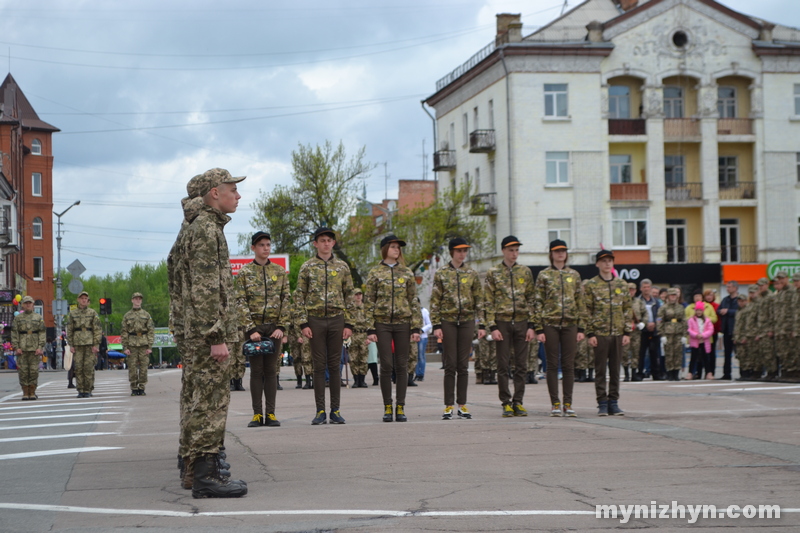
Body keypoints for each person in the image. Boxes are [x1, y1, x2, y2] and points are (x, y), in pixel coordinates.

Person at [171, 167, 247, 498]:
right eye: (232, 188)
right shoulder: (204, 229)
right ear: (215, 192)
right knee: (210, 403)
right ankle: (207, 476)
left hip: (195, 332)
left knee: (198, 400)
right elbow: (204, 291)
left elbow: (175, 273)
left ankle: (195, 468)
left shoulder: (198, 226)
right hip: (207, 335)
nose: (238, 195)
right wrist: (216, 337)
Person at [294, 227, 356, 426]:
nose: (326, 243)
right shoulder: (307, 267)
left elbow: (350, 296)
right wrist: (303, 323)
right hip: (315, 320)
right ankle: (320, 410)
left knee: (335, 365)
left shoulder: (343, 267)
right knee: (319, 366)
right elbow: (299, 297)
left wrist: (349, 323)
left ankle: (335, 410)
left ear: (334, 243)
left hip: (337, 319)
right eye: (322, 240)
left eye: (329, 240)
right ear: (315, 244)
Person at [235, 231, 290, 428]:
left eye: (268, 244)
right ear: (253, 248)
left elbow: (286, 299)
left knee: (272, 371)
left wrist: (282, 326)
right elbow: (240, 301)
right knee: (257, 371)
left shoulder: (279, 271)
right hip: (255, 330)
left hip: (274, 329)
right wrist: (251, 330)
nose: (266, 248)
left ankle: (271, 414)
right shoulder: (244, 272)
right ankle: (257, 414)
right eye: (261, 245)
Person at [364, 235, 422, 422]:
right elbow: (369, 301)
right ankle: (388, 406)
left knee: (402, 365)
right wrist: (370, 328)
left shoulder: (406, 273)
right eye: (393, 247)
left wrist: (416, 327)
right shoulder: (375, 273)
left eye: (398, 247)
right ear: (384, 249)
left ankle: (401, 406)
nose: (397, 250)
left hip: (403, 323)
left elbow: (413, 300)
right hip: (382, 323)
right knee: (387, 365)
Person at [431, 237, 485, 420]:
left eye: (465, 251)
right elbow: (435, 300)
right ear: (452, 252)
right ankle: (448, 405)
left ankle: (462, 404)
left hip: (467, 321)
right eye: (459, 251)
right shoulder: (442, 273)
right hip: (448, 321)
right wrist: (436, 325)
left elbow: (479, 299)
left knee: (463, 364)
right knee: (450, 364)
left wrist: (482, 324)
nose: (462, 254)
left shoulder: (471, 273)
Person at [484, 236, 536, 417]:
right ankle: (506, 402)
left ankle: (518, 402)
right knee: (502, 364)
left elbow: (531, 299)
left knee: (522, 365)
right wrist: (493, 327)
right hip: (502, 323)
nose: (514, 254)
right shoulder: (493, 273)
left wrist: (532, 325)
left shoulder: (525, 272)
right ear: (503, 251)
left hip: (522, 322)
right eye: (511, 250)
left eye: (517, 250)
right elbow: (488, 301)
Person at [533, 239, 585, 417]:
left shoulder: (574, 275)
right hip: (550, 324)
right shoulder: (544, 275)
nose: (560, 254)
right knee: (552, 364)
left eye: (563, 250)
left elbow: (580, 302)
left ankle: (568, 403)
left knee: (569, 365)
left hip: (570, 324)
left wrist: (582, 328)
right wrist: (539, 329)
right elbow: (537, 302)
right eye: (557, 251)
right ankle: (555, 403)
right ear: (551, 254)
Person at [584, 250, 631, 416]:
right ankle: (602, 402)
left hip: (618, 333)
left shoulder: (621, 285)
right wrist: (590, 333)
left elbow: (627, 309)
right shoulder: (590, 285)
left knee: (616, 370)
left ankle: (614, 402)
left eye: (610, 261)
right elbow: (586, 310)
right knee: (600, 370)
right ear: (597, 264)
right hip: (600, 334)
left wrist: (627, 332)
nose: (607, 264)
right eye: (603, 261)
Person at [65, 291, 103, 399]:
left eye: (85, 298)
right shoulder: (73, 314)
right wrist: (71, 344)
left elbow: (97, 330)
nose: (83, 300)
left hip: (89, 344)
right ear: (78, 300)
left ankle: (88, 389)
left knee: (88, 368)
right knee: (78, 368)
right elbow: (70, 330)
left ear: (88, 301)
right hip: (77, 344)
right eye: (82, 298)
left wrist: (96, 344)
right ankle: (80, 390)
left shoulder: (93, 313)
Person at [11, 296, 46, 400]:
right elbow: (14, 333)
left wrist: (40, 347)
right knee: (23, 372)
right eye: (26, 303)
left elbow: (42, 333)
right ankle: (25, 392)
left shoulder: (38, 318)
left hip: (34, 349)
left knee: (34, 371)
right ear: (23, 305)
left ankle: (32, 391)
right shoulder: (18, 318)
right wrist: (16, 347)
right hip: (22, 349)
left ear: (33, 304)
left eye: (29, 303)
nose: (28, 305)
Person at [120, 292, 155, 396]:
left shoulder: (146, 315)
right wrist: (125, 347)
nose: (137, 300)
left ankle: (142, 387)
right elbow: (124, 331)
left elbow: (151, 330)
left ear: (141, 300)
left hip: (143, 344)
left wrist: (150, 346)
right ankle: (134, 388)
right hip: (132, 344)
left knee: (144, 368)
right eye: (136, 299)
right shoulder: (127, 315)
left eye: (139, 299)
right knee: (132, 368)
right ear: (132, 300)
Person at [771, 271, 796, 381]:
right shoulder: (780, 293)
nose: (780, 281)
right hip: (780, 327)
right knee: (783, 351)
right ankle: (786, 372)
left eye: (782, 278)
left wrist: (793, 327)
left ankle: (794, 373)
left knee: (792, 351)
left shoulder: (792, 291)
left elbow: (793, 310)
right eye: (779, 279)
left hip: (789, 326)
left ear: (787, 278)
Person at [637, 278, 663, 381]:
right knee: (641, 353)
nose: (646, 289)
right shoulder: (637, 301)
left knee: (654, 353)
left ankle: (656, 373)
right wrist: (645, 324)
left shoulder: (657, 302)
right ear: (640, 288)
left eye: (648, 287)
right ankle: (639, 373)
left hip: (654, 330)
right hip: (642, 331)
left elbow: (660, 315)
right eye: (644, 287)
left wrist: (655, 324)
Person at [657, 288, 686, 381]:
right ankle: (669, 373)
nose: (673, 297)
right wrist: (662, 334)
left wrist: (685, 335)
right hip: (668, 332)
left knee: (678, 353)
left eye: (674, 295)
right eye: (671, 295)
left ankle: (676, 373)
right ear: (668, 296)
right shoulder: (663, 308)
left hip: (678, 332)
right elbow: (659, 321)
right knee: (669, 353)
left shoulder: (680, 307)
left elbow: (684, 321)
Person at [753, 277, 776, 380]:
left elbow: (772, 314)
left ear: (767, 285)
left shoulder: (770, 297)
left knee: (769, 352)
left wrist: (771, 329)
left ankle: (772, 372)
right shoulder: (760, 298)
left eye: (762, 285)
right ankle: (768, 372)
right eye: (759, 285)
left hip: (767, 329)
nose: (760, 287)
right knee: (763, 352)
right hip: (761, 329)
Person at [717, 281, 739, 380]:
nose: (727, 289)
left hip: (736, 329)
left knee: (739, 353)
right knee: (726, 353)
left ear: (735, 288)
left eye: (729, 287)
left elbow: (740, 311)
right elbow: (719, 309)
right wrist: (721, 311)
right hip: (726, 329)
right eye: (726, 287)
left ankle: (744, 372)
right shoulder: (725, 300)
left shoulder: (739, 299)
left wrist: (728, 311)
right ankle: (726, 373)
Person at [688, 302, 715, 379]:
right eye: (697, 310)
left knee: (706, 357)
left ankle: (708, 373)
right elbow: (690, 329)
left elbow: (710, 329)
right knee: (693, 357)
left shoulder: (707, 320)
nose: (699, 312)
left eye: (700, 310)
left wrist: (703, 335)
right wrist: (696, 335)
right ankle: (690, 373)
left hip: (704, 341)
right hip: (695, 341)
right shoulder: (691, 320)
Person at [349, 289, 370, 388]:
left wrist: (369, 336)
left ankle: (362, 379)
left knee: (363, 358)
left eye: (360, 294)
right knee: (353, 359)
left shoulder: (366, 308)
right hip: (353, 334)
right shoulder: (350, 308)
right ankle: (356, 380)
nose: (358, 296)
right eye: (356, 294)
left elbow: (370, 322)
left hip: (363, 334)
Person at [624, 282, 645, 382]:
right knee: (624, 352)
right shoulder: (622, 302)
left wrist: (643, 323)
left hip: (636, 330)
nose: (631, 292)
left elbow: (645, 313)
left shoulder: (639, 302)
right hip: (625, 331)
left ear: (636, 291)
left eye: (633, 290)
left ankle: (633, 373)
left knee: (635, 352)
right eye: (629, 289)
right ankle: (626, 374)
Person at [733, 292, 753, 381]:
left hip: (745, 336)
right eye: (739, 301)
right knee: (740, 356)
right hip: (738, 336)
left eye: (742, 301)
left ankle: (747, 373)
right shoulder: (738, 311)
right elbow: (737, 325)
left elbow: (748, 325)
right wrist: (735, 337)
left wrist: (746, 336)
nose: (741, 303)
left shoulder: (748, 310)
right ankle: (742, 373)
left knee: (747, 356)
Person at [415, 303, 432, 381]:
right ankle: (414, 373)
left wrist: (422, 330)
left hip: (422, 337)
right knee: (413, 356)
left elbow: (429, 324)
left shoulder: (424, 311)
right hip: (413, 337)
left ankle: (420, 374)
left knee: (420, 356)